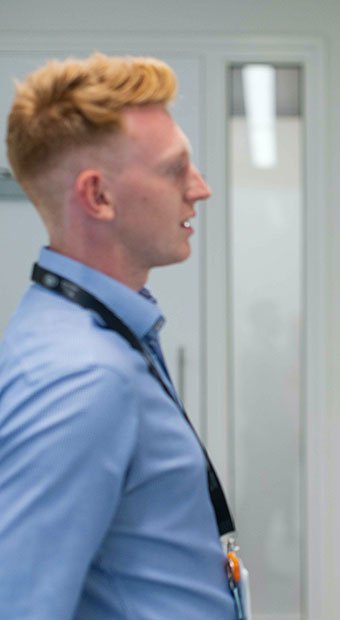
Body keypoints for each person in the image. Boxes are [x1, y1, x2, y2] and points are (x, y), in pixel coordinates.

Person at [0, 53, 238, 619]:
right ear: (98, 196)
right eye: (176, 169)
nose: (200, 189)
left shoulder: (99, 336)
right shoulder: (80, 377)